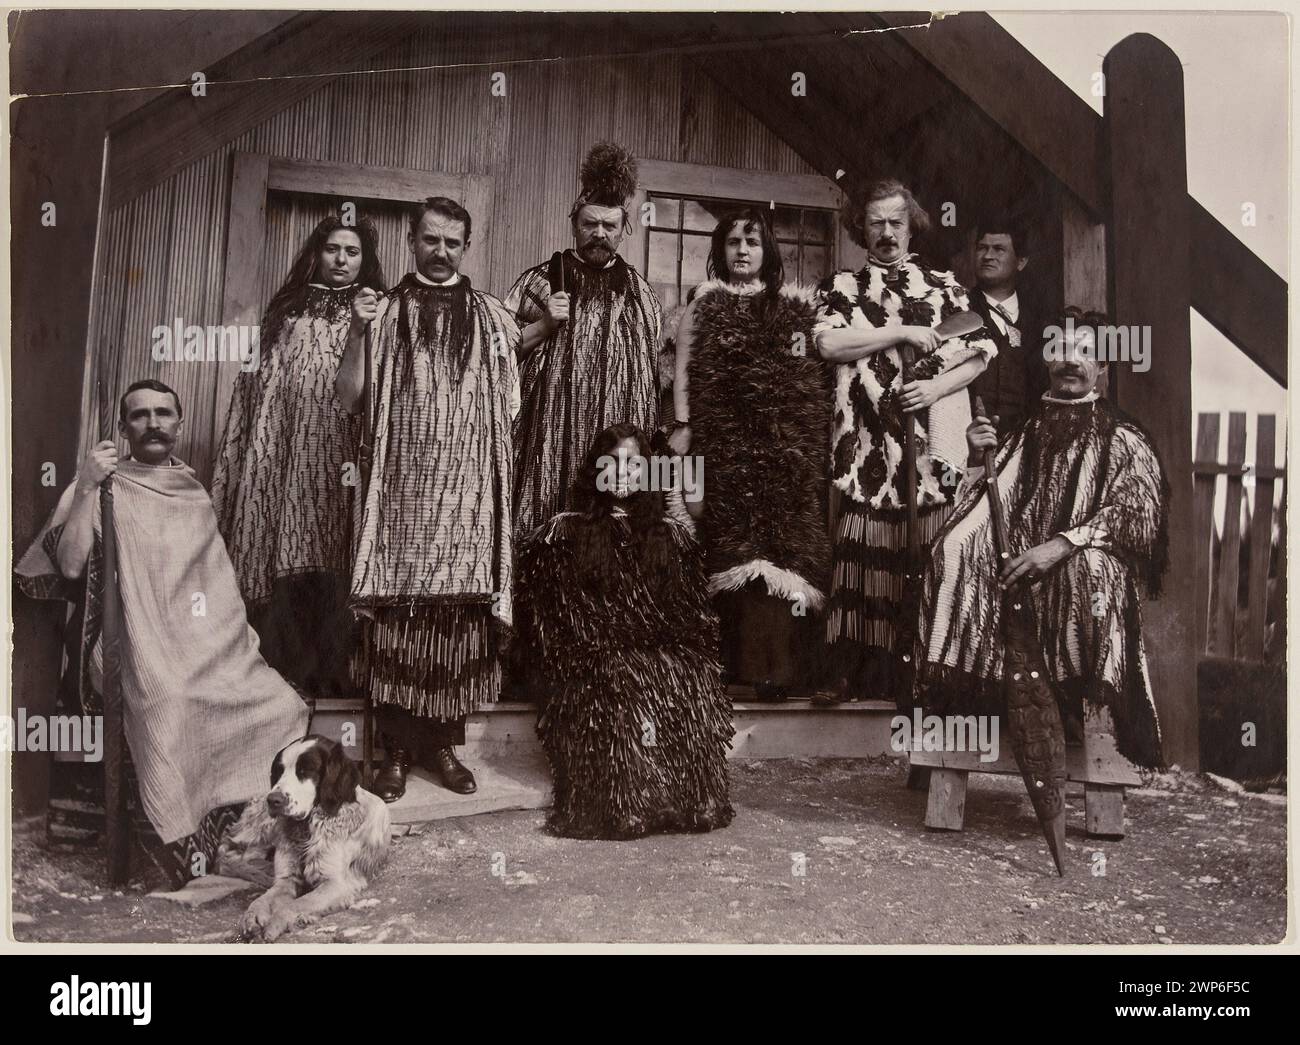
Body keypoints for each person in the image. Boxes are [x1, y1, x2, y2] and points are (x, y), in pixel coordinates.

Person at [15, 380, 309, 887]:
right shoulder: (105, 484)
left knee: (279, 704)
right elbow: (68, 564)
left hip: (203, 643)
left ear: (179, 423)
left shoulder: (192, 492)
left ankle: (242, 835)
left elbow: (212, 588)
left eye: (163, 414)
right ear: (125, 427)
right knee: (169, 701)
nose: (153, 424)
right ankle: (188, 840)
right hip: (129, 643)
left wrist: (221, 644)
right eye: (140, 415)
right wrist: (85, 484)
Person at [916, 308, 1169, 767]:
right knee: (953, 548)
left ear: (1104, 367)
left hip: (1076, 578)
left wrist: (1060, 546)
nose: (1072, 361)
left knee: (1092, 566)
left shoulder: (1125, 439)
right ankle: (971, 698)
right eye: (1062, 350)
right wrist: (975, 456)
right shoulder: (1024, 434)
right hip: (1017, 575)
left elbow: (1137, 517)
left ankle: (1075, 700)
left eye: (1086, 353)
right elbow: (981, 505)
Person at [336, 196, 519, 801]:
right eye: (430, 240)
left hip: (467, 499)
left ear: (467, 247)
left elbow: (510, 407)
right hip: (403, 496)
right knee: (399, 618)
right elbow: (349, 398)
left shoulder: (492, 316)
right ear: (411, 240)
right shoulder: (381, 311)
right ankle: (396, 753)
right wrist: (359, 331)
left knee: (456, 621)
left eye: (453, 242)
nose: (441, 252)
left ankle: (443, 747)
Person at [815, 178, 999, 705]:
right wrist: (898, 333)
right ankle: (848, 672)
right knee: (860, 545)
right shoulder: (843, 288)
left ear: (911, 224)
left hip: (927, 439)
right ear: (861, 229)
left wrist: (934, 387)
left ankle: (920, 678)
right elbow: (828, 342)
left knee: (924, 556)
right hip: (867, 441)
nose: (887, 232)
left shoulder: (942, 287)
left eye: (896, 221)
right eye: (876, 223)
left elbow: (980, 349)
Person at [515, 423, 734, 839]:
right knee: (623, 674)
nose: (622, 472)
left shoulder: (667, 536)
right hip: (593, 655)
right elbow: (560, 618)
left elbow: (686, 613)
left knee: (691, 672)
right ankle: (623, 806)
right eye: (612, 463)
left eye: (634, 463)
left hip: (649, 648)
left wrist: (671, 648)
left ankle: (688, 798)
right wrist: (616, 643)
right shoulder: (566, 534)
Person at [211, 215, 387, 701]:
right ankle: (279, 678)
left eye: (352, 252)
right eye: (333, 249)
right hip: (288, 459)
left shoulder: (377, 311)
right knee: (286, 554)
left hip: (344, 458)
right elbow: (259, 388)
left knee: (337, 556)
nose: (341, 260)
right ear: (317, 252)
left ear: (364, 260)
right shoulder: (287, 310)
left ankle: (335, 678)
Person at [669, 207, 830, 700]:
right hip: (723, 445)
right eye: (734, 242)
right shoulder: (705, 304)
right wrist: (684, 426)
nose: (742, 251)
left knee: (782, 550)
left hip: (782, 450)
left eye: (752, 242)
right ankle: (734, 667)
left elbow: (808, 378)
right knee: (728, 542)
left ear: (768, 252)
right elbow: (683, 371)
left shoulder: (795, 309)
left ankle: (779, 673)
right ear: (720, 250)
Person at [507, 141, 663, 538]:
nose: (598, 234)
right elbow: (498, 355)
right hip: (547, 445)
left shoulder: (642, 296)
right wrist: (542, 325)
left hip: (616, 457)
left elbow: (652, 379)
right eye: (589, 224)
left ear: (625, 229)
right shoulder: (537, 284)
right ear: (574, 223)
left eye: (609, 226)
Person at [965, 215, 1050, 435]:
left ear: (1021, 262)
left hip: (1026, 443)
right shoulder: (957, 309)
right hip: (970, 443)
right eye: (982, 248)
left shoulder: (1041, 321)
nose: (988, 256)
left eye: (998, 249)